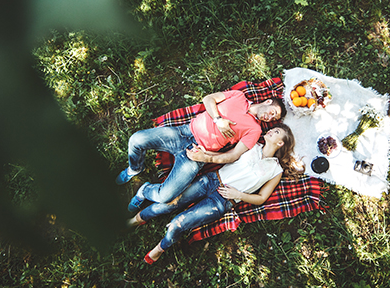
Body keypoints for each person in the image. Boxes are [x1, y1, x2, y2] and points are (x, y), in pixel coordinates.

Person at [127, 123, 302, 264]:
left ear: (281, 143)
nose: (271, 130)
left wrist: (239, 195)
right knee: (169, 204)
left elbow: (262, 198)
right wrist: (204, 155)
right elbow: (228, 155)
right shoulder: (252, 145)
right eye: (273, 128)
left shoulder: (276, 170)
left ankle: (160, 248)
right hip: (210, 180)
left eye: (276, 131)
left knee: (178, 224)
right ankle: (138, 218)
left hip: (223, 201)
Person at [116, 90, 286, 210]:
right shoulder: (238, 96)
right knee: (136, 139)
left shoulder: (255, 130)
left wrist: (205, 158)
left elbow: (233, 155)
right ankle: (135, 168)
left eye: (274, 119)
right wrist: (218, 119)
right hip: (183, 132)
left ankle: (145, 190)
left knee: (164, 197)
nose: (269, 118)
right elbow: (208, 99)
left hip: (197, 155)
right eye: (272, 112)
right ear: (268, 101)